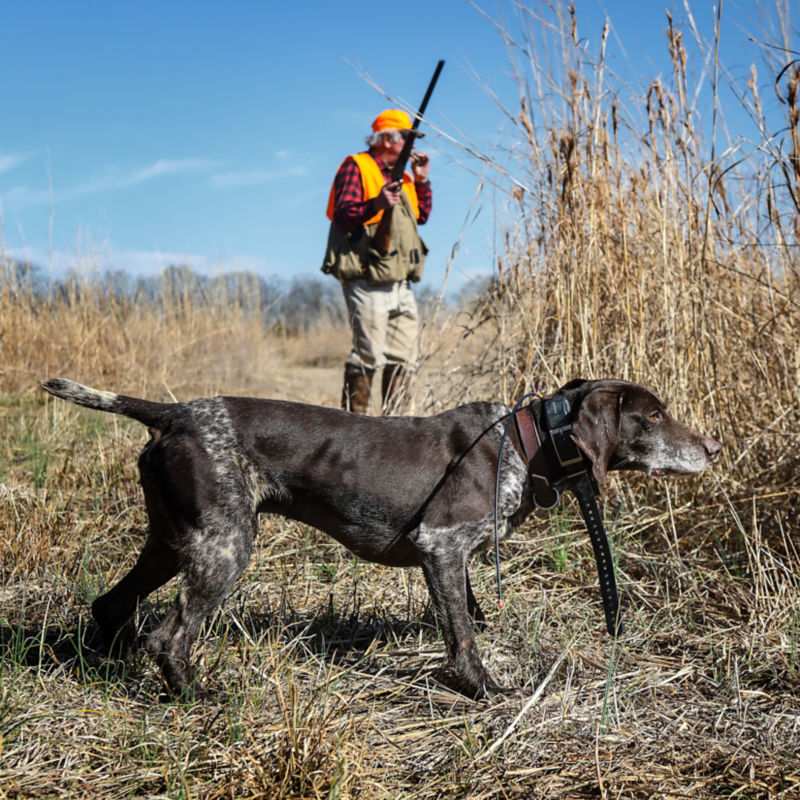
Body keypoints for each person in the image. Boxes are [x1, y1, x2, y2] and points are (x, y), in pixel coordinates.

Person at [322, 108, 432, 415]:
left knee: (404, 359)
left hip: (400, 283)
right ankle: (352, 429)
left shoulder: (405, 177)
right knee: (367, 356)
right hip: (366, 279)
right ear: (386, 140)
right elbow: (343, 214)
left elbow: (421, 216)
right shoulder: (357, 166)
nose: (412, 145)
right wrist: (376, 204)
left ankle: (395, 430)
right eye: (406, 138)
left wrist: (422, 181)